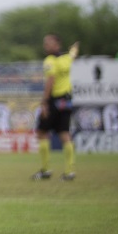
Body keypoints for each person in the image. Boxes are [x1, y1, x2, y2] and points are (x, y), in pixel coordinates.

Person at [31, 34, 78, 181]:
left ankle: (45, 170)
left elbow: (51, 80)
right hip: (67, 100)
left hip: (54, 100)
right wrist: (75, 47)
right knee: (64, 133)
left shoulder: (50, 61)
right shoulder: (66, 58)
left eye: (49, 43)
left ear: (57, 44)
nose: (46, 46)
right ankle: (69, 171)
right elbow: (73, 54)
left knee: (41, 131)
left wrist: (45, 102)